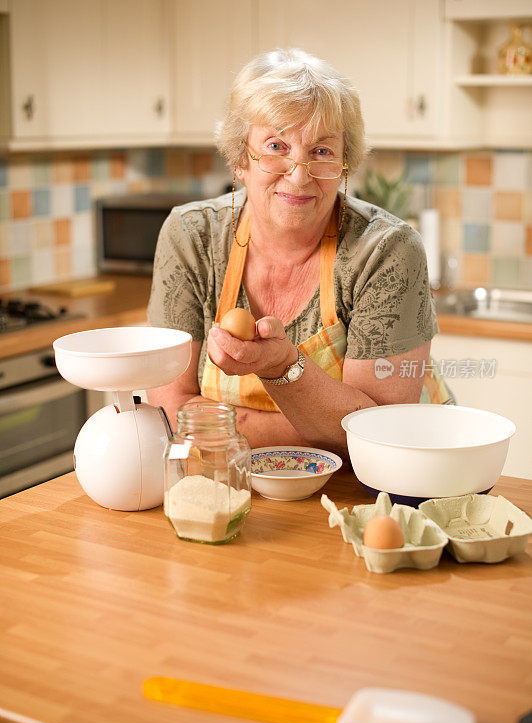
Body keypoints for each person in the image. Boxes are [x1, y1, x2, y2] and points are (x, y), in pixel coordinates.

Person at [147, 48, 452, 456]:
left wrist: (280, 369)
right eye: (276, 146)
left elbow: (380, 434)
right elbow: (169, 409)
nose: (298, 174)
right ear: (241, 158)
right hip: (235, 483)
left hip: (373, 488)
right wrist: (326, 427)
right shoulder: (191, 237)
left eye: (322, 151)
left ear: (345, 164)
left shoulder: (386, 251)